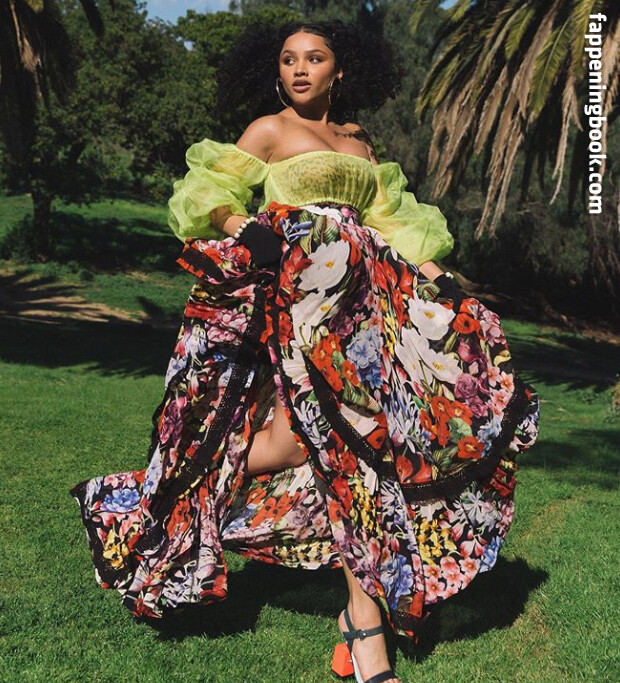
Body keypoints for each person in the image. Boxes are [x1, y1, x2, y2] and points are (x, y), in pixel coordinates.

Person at [69, 20, 540, 683]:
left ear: (339, 71)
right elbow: (205, 193)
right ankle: (351, 621)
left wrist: (444, 283)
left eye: (314, 58)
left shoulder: (359, 142)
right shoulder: (269, 130)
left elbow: (392, 226)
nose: (298, 69)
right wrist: (247, 228)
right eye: (289, 59)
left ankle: (345, 614)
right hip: (299, 305)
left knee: (324, 450)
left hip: (363, 311)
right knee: (339, 451)